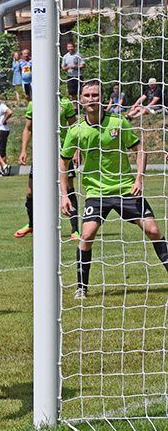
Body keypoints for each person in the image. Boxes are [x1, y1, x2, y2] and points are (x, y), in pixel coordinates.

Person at [61, 80, 168, 300]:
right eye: (87, 95)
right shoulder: (76, 130)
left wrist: (139, 179)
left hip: (125, 188)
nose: (91, 99)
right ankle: (81, 287)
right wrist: (65, 194)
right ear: (81, 100)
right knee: (87, 235)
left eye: (95, 95)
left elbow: (140, 151)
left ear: (103, 98)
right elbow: (63, 162)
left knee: (154, 231)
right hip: (96, 193)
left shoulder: (118, 123)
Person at [15, 97, 80, 239]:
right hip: (41, 153)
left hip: (63, 152)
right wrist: (24, 150)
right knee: (31, 191)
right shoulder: (34, 102)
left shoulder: (66, 103)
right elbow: (27, 128)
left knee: (69, 188)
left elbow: (74, 127)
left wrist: (75, 150)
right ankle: (32, 224)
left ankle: (75, 230)